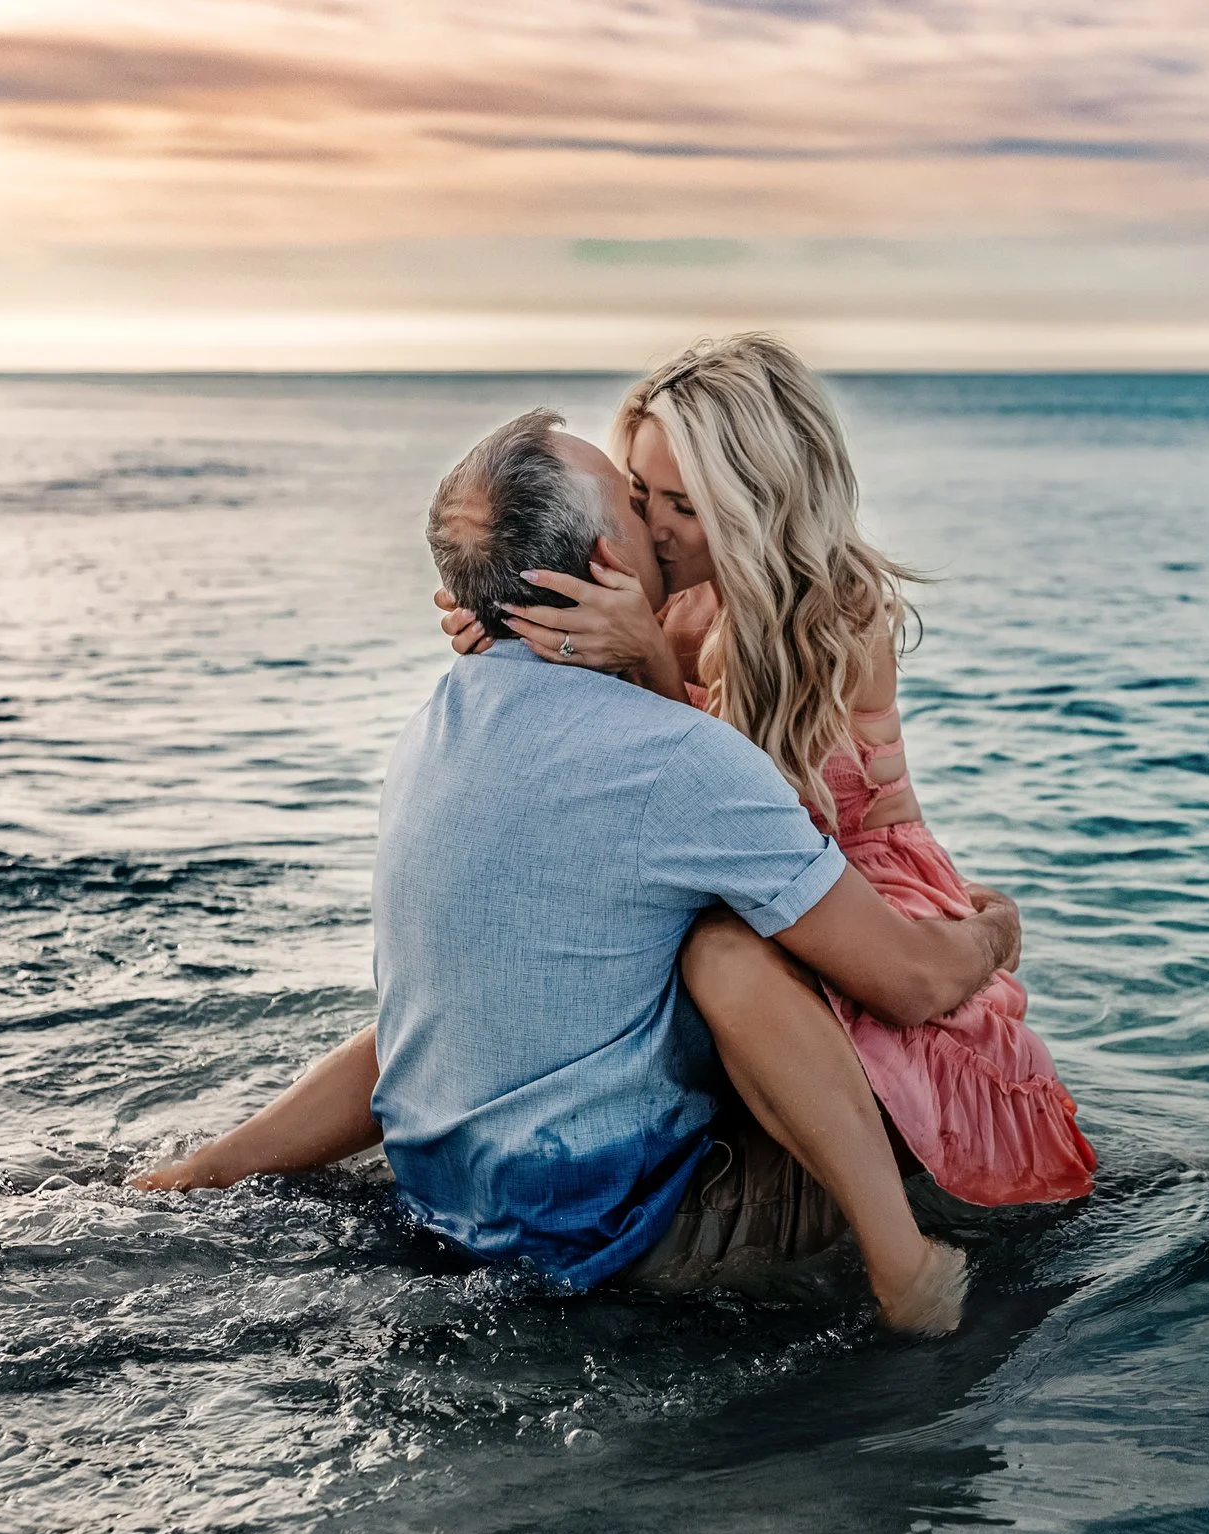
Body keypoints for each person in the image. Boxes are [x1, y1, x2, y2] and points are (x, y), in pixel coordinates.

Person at [134, 408, 1023, 1333]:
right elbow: (911, 980)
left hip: (451, 1198)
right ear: (605, 554)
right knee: (785, 991)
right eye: (641, 505)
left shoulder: (437, 724)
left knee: (501, 987)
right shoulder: (680, 759)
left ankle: (202, 1168)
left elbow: (428, 1028)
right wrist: (994, 930)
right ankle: (907, 1274)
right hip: (614, 1230)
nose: (661, 523)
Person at [447, 335, 1097, 1209]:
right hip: (758, 890)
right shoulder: (670, 595)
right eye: (642, 495)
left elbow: (752, 815)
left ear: (759, 501)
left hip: (852, 893)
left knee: (719, 958)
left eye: (686, 502)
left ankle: (893, 1242)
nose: (655, 525)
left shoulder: (838, 613)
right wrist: (494, 616)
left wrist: (649, 661)